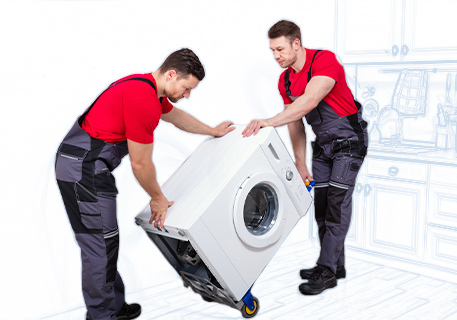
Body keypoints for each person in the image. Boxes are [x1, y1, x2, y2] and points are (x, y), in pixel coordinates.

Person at [55, 48, 234, 320]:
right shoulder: (144, 101)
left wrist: (212, 130)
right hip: (83, 169)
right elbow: (141, 164)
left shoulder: (147, 87)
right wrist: (157, 198)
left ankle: (112, 306)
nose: (187, 95)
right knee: (99, 245)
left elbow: (176, 118)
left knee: (106, 241)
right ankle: (101, 316)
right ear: (172, 74)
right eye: (187, 88)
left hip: (87, 165)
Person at [242, 20, 368, 295]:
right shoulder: (285, 79)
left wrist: (268, 121)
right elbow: (295, 122)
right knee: (322, 206)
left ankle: (326, 271)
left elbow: (310, 101)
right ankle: (336, 264)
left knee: (336, 206)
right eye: (272, 50)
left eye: (280, 49)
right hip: (323, 147)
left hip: (348, 143)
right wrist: (299, 162)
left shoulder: (324, 60)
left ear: (296, 44)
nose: (276, 56)